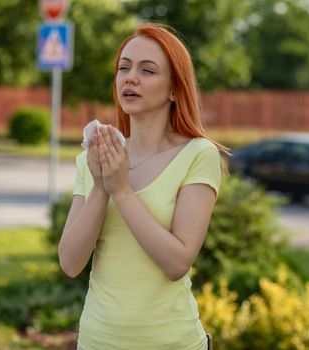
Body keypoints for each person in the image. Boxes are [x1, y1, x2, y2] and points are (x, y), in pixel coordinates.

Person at [58, 23, 228, 350]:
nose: (130, 77)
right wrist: (101, 187)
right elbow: (70, 262)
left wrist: (121, 189)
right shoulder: (94, 157)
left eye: (147, 70)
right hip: (97, 341)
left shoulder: (198, 154)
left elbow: (177, 263)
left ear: (174, 89)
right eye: (124, 67)